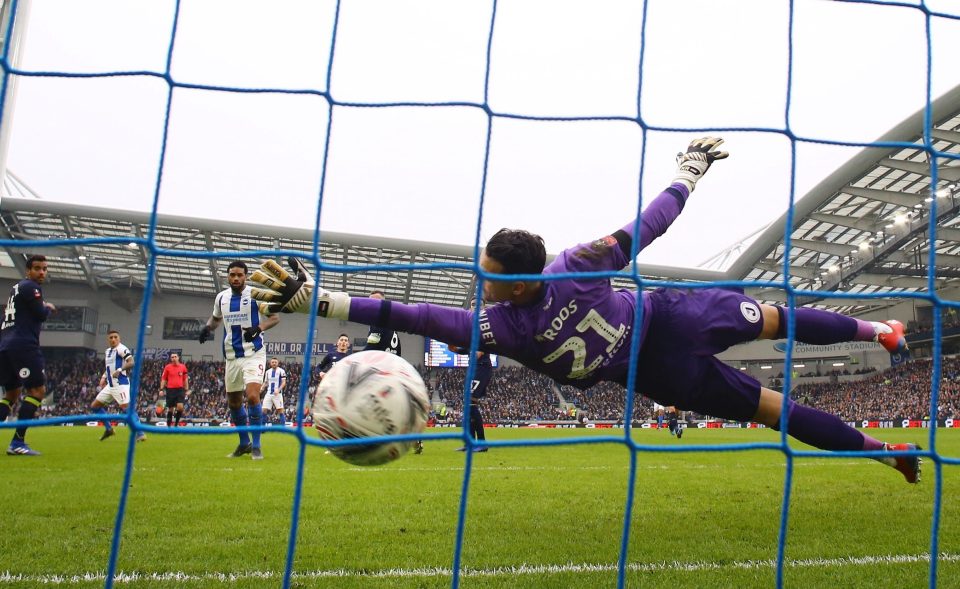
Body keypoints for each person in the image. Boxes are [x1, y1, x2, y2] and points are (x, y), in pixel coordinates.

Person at [249, 137, 921, 484]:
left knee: (773, 321)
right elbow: (411, 313)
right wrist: (323, 299)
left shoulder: (524, 304)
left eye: (488, 276)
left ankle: (878, 331)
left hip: (670, 326)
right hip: (661, 368)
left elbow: (649, 224)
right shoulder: (546, 286)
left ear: (516, 282)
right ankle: (883, 451)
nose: (479, 284)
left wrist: (688, 171)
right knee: (771, 400)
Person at [199, 260, 279, 460]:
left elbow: (274, 318)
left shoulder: (255, 295)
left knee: (252, 396)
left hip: (254, 353)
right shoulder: (221, 298)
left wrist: (258, 328)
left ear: (246, 276)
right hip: (231, 356)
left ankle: (257, 446)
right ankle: (244, 443)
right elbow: (216, 318)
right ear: (228, 276)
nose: (235, 278)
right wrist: (207, 328)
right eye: (232, 275)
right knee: (234, 403)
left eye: (239, 275)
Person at [0, 255, 55, 456]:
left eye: (44, 269)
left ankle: (17, 442)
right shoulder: (31, 287)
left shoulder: (15, 290)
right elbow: (40, 315)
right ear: (28, 271)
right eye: (37, 268)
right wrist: (47, 307)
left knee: (12, 395)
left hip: (5, 345)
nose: (41, 272)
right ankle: (17, 443)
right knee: (37, 391)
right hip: (23, 345)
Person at [363, 290, 423, 453]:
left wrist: (351, 361)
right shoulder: (390, 322)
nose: (373, 305)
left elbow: (370, 349)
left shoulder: (378, 322)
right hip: (394, 370)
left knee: (373, 405)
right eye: (370, 301)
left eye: (376, 302)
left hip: (385, 372)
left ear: (383, 304)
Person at [91, 329, 147, 442]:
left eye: (115, 337)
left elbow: (131, 362)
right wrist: (103, 377)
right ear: (108, 339)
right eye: (111, 337)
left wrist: (120, 369)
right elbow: (109, 367)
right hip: (110, 386)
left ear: (119, 338)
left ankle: (140, 433)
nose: (113, 339)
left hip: (121, 384)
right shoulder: (107, 351)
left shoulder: (122, 348)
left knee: (127, 409)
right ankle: (109, 429)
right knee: (95, 406)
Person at [451, 347, 493, 453]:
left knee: (470, 403)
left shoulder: (479, 339)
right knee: (468, 406)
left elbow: (477, 355)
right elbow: (453, 349)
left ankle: (481, 443)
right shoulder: (470, 343)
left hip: (481, 369)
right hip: (474, 370)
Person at [159, 352, 189, 427]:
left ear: (178, 358)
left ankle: (176, 424)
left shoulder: (183, 367)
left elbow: (185, 379)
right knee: (171, 409)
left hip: (180, 389)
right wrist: (161, 389)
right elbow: (163, 379)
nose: (174, 358)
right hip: (170, 390)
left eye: (175, 356)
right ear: (170, 359)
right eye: (172, 357)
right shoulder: (167, 367)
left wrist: (187, 389)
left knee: (180, 407)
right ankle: (169, 426)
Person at [260, 357, 287, 426]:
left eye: (275, 362)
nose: (274, 363)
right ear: (270, 363)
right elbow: (266, 382)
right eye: (273, 362)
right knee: (264, 410)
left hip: (277, 394)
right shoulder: (267, 372)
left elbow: (284, 382)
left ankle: (283, 428)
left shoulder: (281, 371)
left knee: (280, 411)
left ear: (278, 363)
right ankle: (262, 428)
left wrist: (278, 389)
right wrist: (262, 388)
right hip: (269, 393)